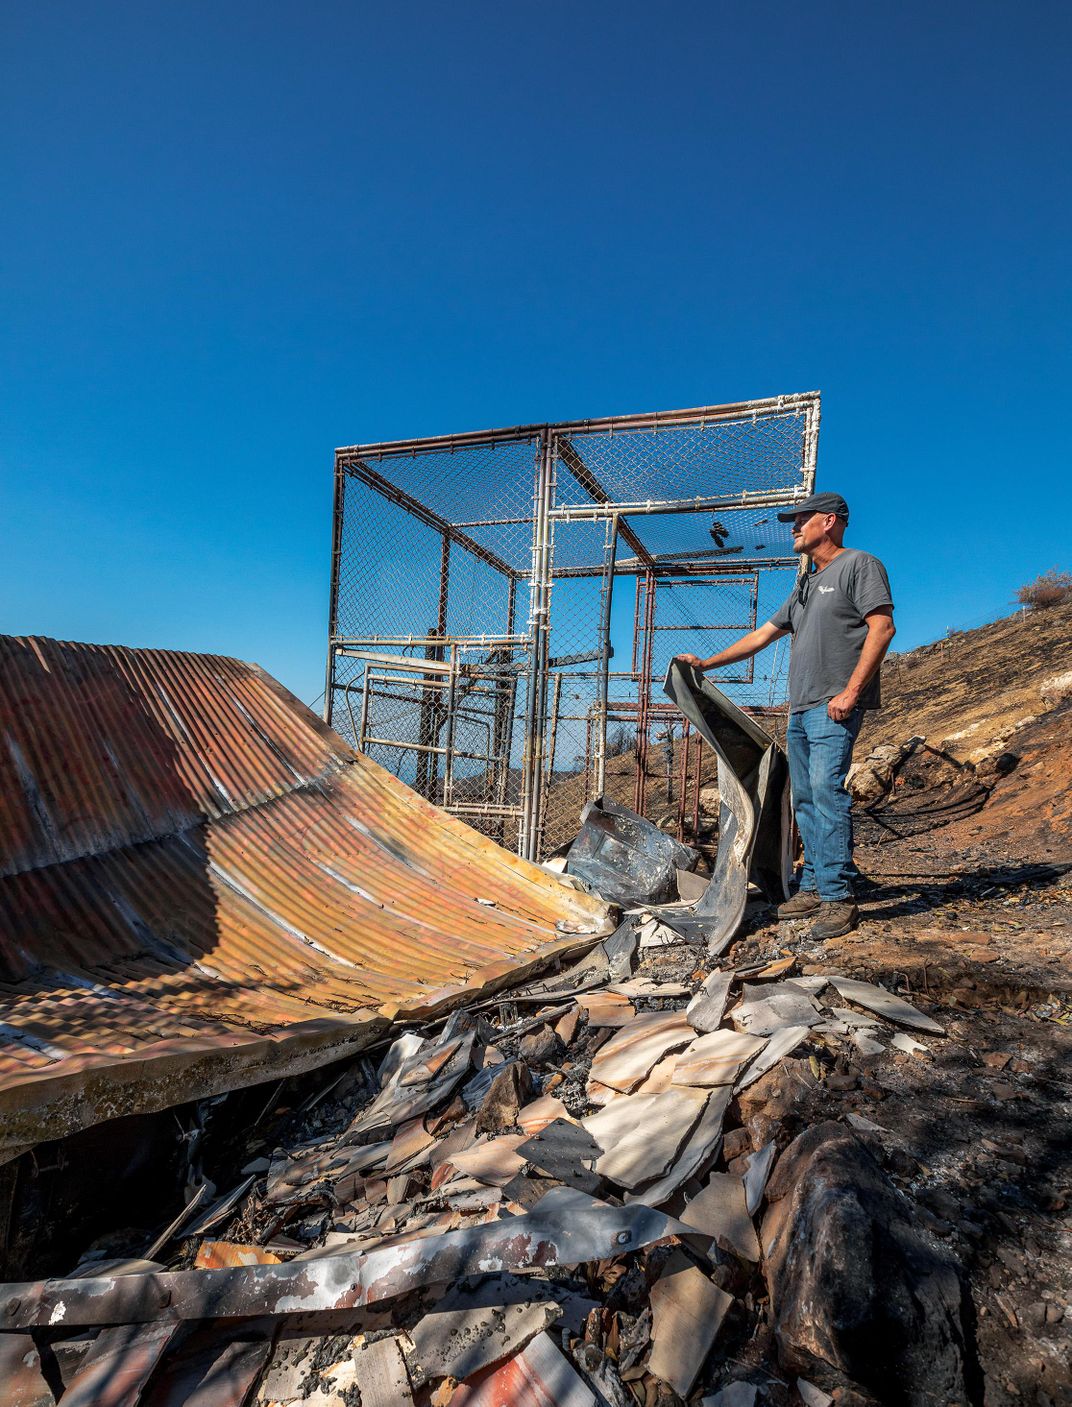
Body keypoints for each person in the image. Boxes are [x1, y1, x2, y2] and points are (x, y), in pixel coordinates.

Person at [676, 492, 894, 940]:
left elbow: (883, 627)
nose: (794, 528)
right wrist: (706, 663)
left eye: (801, 520)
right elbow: (762, 636)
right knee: (807, 800)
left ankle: (838, 898)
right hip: (803, 707)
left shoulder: (859, 565)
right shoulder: (805, 585)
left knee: (827, 795)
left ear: (829, 521)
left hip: (833, 705)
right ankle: (814, 884)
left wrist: (851, 692)